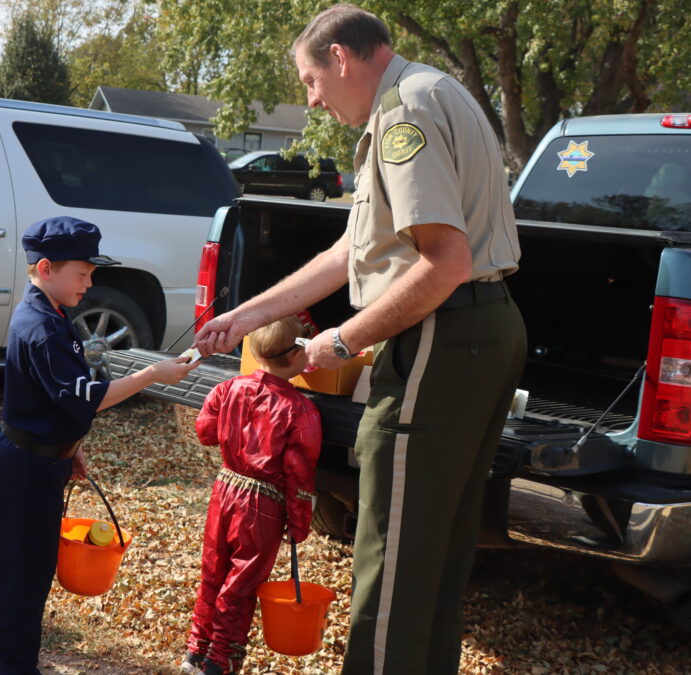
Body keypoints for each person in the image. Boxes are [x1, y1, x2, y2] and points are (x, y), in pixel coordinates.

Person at [195, 6, 527, 674]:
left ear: (342, 58)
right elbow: (353, 248)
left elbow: (444, 262)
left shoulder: (404, 115)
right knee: (437, 550)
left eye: (311, 79)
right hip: (480, 330)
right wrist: (246, 312)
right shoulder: (426, 94)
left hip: (441, 335)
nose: (310, 98)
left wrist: (335, 345)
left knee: (393, 553)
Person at [0, 216, 198, 673]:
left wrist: (71, 446)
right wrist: (150, 375)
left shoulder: (50, 313)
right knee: (25, 572)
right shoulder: (43, 326)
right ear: (46, 268)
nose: (89, 283)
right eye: (83, 273)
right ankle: (12, 664)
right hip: (27, 462)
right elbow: (88, 396)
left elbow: (55, 398)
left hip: (38, 454)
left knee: (14, 556)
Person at [181, 316, 322, 675]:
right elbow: (299, 474)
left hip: (225, 488)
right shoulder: (300, 410)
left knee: (213, 571)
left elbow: (205, 432)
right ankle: (221, 660)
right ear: (295, 357)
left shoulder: (229, 388)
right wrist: (300, 523)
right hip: (263, 505)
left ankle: (196, 650)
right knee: (241, 583)